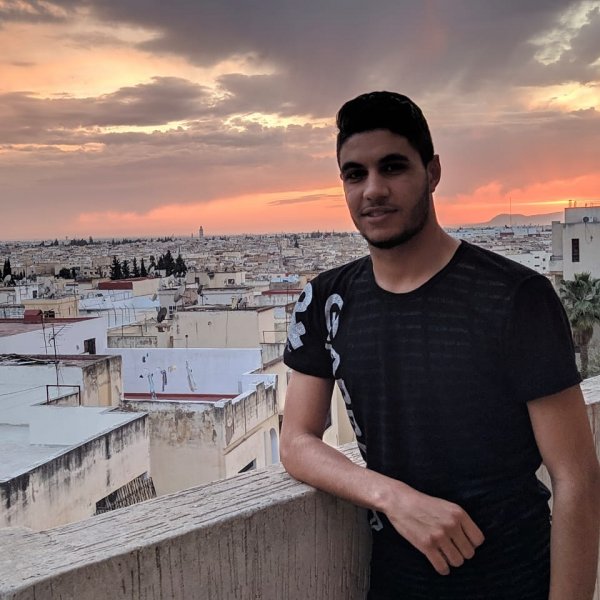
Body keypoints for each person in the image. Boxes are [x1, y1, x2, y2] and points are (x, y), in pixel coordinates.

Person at [280, 91, 600, 599]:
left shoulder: (515, 297)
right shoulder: (326, 300)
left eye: (393, 167)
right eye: (355, 174)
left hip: (516, 580)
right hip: (395, 584)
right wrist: (393, 497)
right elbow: (296, 441)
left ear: (432, 173)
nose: (373, 190)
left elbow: (576, 477)